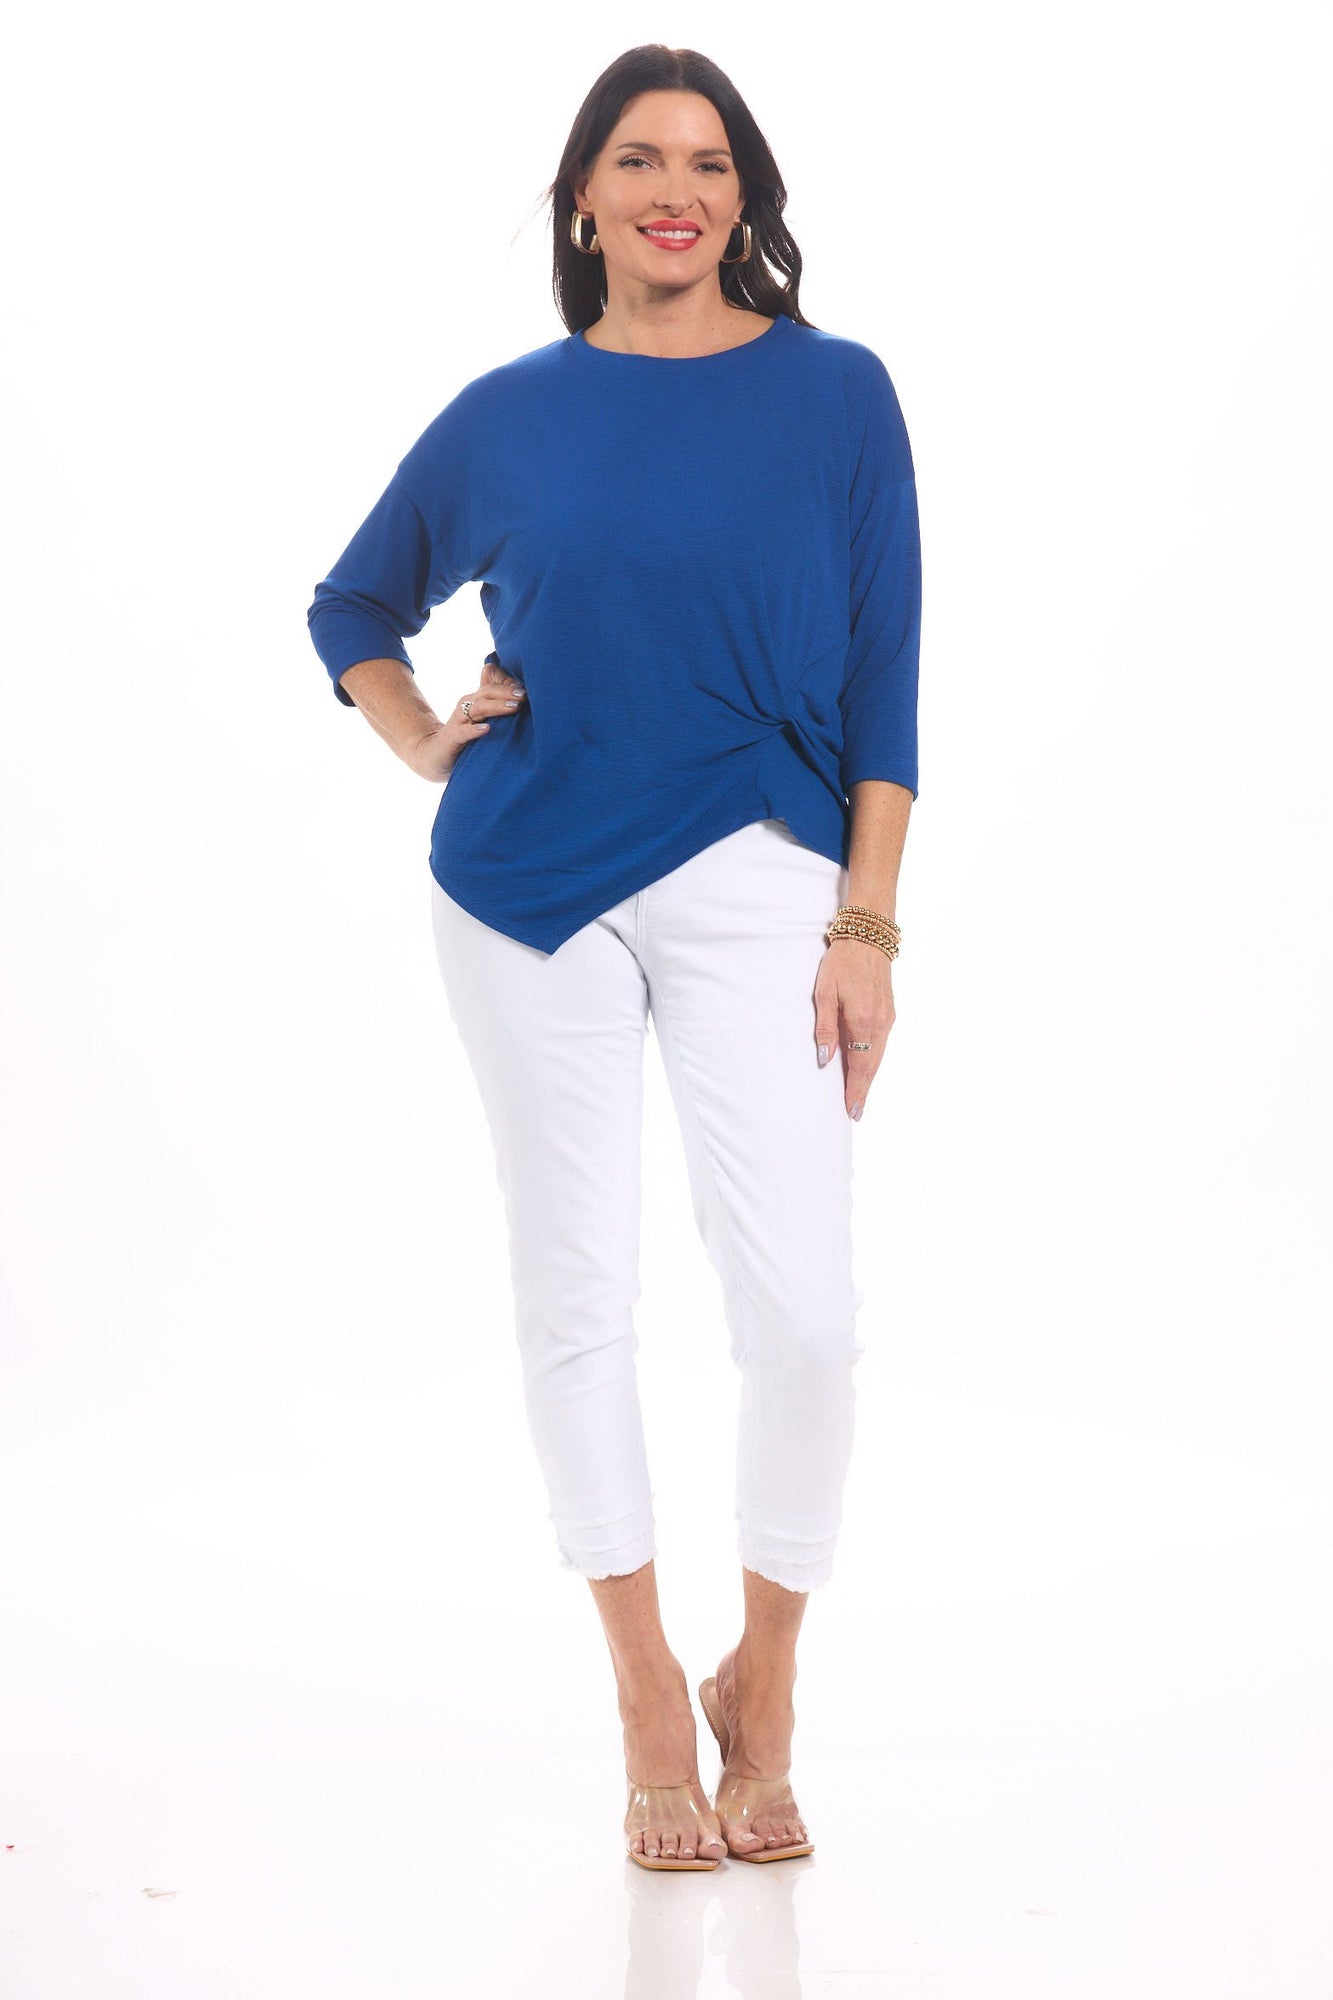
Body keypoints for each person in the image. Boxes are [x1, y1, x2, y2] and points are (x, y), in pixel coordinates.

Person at [305, 44, 921, 1873]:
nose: (677, 191)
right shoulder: (506, 414)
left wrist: (866, 924)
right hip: (527, 888)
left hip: (760, 870)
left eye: (709, 163)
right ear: (583, 197)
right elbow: (352, 603)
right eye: (639, 160)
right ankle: (648, 1687)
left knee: (802, 1311)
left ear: (744, 196)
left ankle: (765, 1678)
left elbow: (885, 680)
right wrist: (425, 739)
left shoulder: (836, 393)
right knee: (575, 1288)